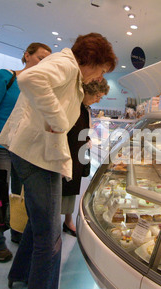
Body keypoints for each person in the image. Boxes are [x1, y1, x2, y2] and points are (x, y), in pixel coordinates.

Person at [0, 33, 117, 289]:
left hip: (35, 155)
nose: (99, 77)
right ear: (92, 60)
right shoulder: (66, 64)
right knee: (50, 239)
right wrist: (59, 120)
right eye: (101, 70)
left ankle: (21, 273)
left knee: (39, 226)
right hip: (37, 158)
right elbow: (29, 78)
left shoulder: (71, 72)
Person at [0, 43, 52, 262]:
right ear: (27, 55)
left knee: (20, 194)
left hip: (23, 149)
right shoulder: (5, 77)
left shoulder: (38, 86)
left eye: (48, 60)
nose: (44, 63)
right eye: (40, 57)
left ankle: (17, 231)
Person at [62, 79, 110, 236]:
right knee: (60, 190)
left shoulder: (84, 108)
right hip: (65, 154)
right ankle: (57, 224)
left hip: (77, 153)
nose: (98, 100)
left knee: (71, 189)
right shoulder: (71, 105)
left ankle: (67, 221)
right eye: (97, 96)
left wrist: (87, 140)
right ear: (87, 91)